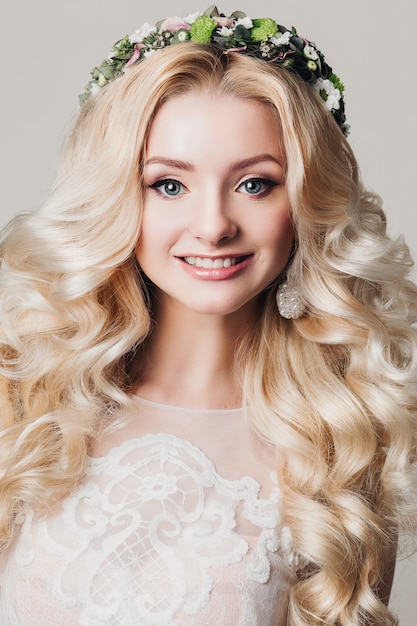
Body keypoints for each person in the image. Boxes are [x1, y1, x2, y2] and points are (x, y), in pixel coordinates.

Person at [0, 6, 416, 625]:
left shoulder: (343, 447)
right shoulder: (23, 401)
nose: (214, 225)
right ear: (119, 195)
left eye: (256, 184)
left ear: (305, 201)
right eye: (169, 185)